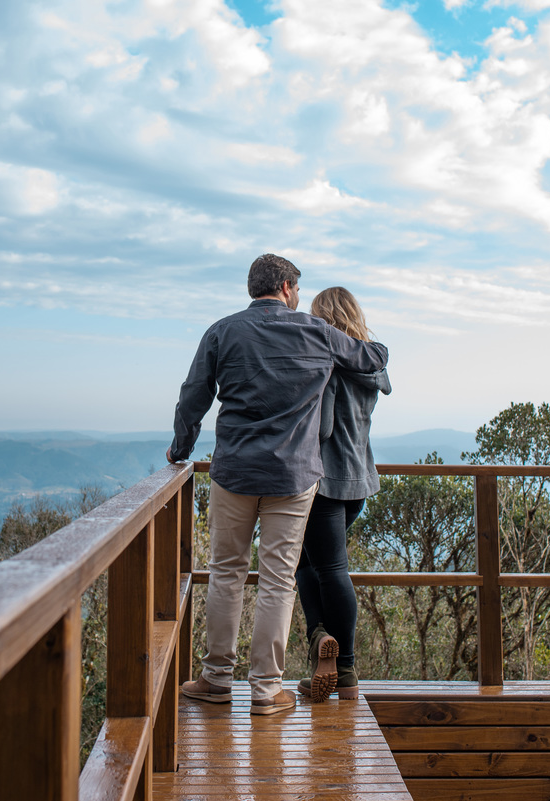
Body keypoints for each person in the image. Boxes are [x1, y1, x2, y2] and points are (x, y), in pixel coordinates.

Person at [167, 255, 388, 716]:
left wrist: (180, 447)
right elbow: (374, 357)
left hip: (234, 472)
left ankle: (216, 679)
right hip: (294, 477)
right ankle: (267, 690)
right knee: (279, 579)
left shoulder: (222, 332)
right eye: (298, 291)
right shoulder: (316, 332)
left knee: (226, 571)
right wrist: (357, 337)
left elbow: (194, 397)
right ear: (286, 287)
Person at [295, 287, 391, 702]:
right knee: (322, 565)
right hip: (359, 480)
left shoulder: (331, 364)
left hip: (327, 481)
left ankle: (332, 652)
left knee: (317, 566)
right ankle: (333, 663)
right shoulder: (369, 364)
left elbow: (324, 428)